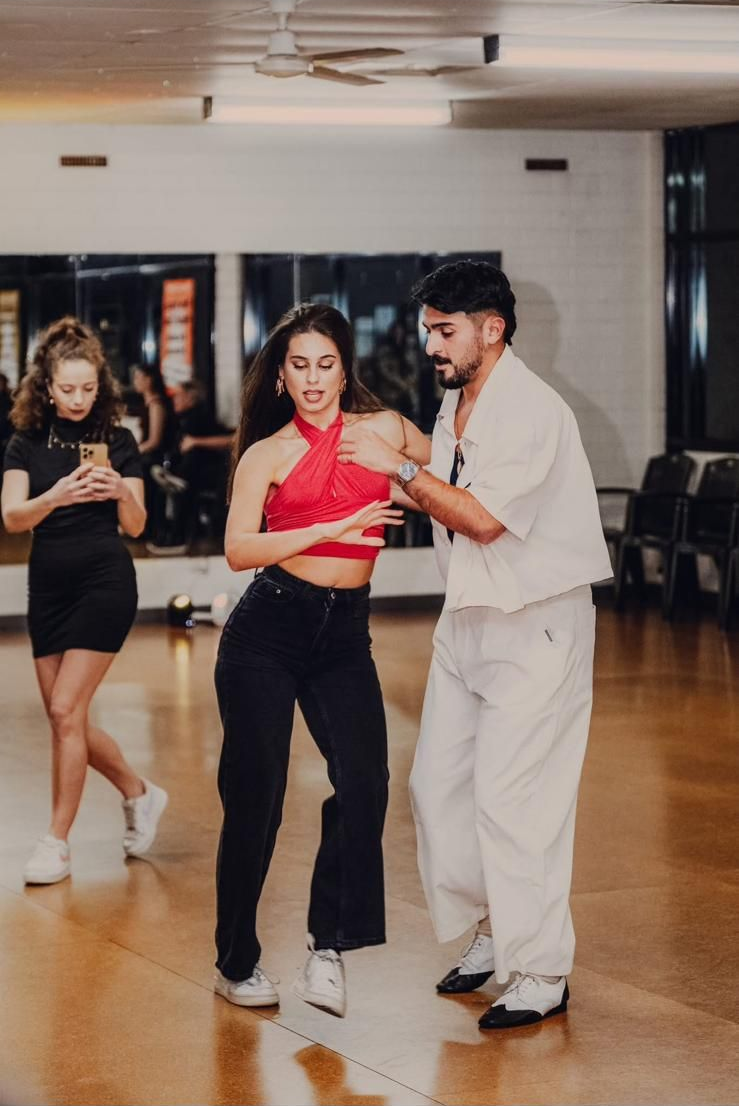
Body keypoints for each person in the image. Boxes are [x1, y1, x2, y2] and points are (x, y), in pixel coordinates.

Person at [338, 261, 613, 1030]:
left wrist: (397, 467)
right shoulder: (458, 398)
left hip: (535, 624)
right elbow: (441, 482)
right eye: (427, 329)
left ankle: (541, 970)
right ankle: (494, 929)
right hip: (467, 618)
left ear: (491, 329)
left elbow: (483, 519)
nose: (430, 344)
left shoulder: (531, 409)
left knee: (514, 802)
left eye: (444, 330)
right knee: (436, 788)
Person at [214, 302, 430, 1017]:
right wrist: (333, 525)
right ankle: (235, 961)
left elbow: (460, 462)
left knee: (366, 781)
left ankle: (327, 947)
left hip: (344, 636)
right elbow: (239, 549)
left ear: (344, 370)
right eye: (299, 365)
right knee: (258, 799)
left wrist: (401, 470)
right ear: (281, 376)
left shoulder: (384, 429)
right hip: (267, 634)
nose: (312, 378)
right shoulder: (266, 454)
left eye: (325, 364)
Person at [1, 318, 168, 885]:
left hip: (105, 582)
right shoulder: (25, 442)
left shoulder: (117, 442)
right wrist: (56, 494)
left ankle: (57, 841)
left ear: (101, 386)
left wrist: (120, 489)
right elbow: (13, 517)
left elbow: (137, 525)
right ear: (47, 387)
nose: (78, 399)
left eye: (88, 388)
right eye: (67, 389)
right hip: (48, 587)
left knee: (65, 711)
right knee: (64, 718)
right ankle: (138, 792)